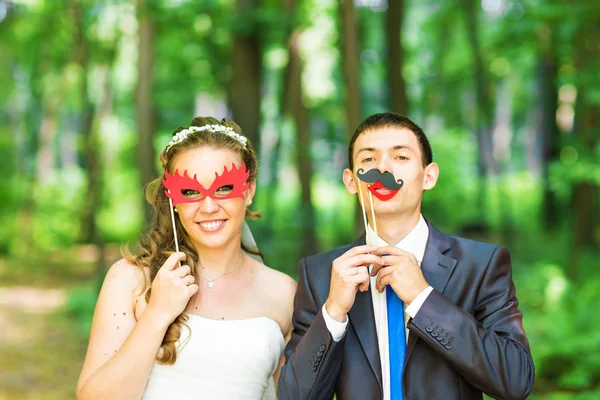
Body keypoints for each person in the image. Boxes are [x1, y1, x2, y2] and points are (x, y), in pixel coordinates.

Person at [277, 112, 534, 400]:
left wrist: (423, 299)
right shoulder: (320, 274)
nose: (383, 168)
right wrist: (333, 313)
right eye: (368, 160)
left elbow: (516, 380)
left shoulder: (481, 265)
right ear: (351, 181)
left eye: (400, 157)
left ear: (429, 176)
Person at [77, 117, 297, 400]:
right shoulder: (130, 280)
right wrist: (157, 313)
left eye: (224, 187)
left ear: (249, 189)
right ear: (173, 199)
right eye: (191, 191)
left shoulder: (284, 293)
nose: (208, 206)